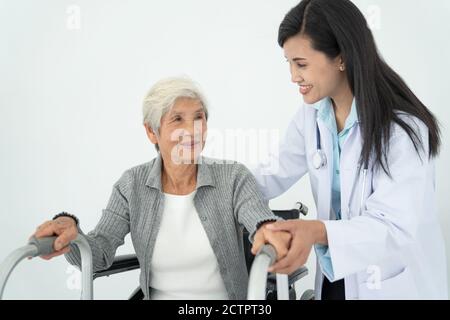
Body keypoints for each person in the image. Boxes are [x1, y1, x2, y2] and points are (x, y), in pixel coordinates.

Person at [251, 0, 447, 300]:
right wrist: (209, 182)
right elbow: (269, 175)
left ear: (341, 57)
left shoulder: (402, 130)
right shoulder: (312, 117)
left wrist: (315, 231)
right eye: (289, 63)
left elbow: (392, 228)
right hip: (336, 276)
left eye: (301, 64)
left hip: (392, 285)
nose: (293, 76)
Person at [30, 77, 291, 300]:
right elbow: (98, 255)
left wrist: (269, 228)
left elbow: (261, 219)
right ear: (151, 132)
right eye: (177, 119)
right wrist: (70, 231)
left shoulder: (233, 177)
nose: (192, 130)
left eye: (199, 117)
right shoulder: (131, 185)